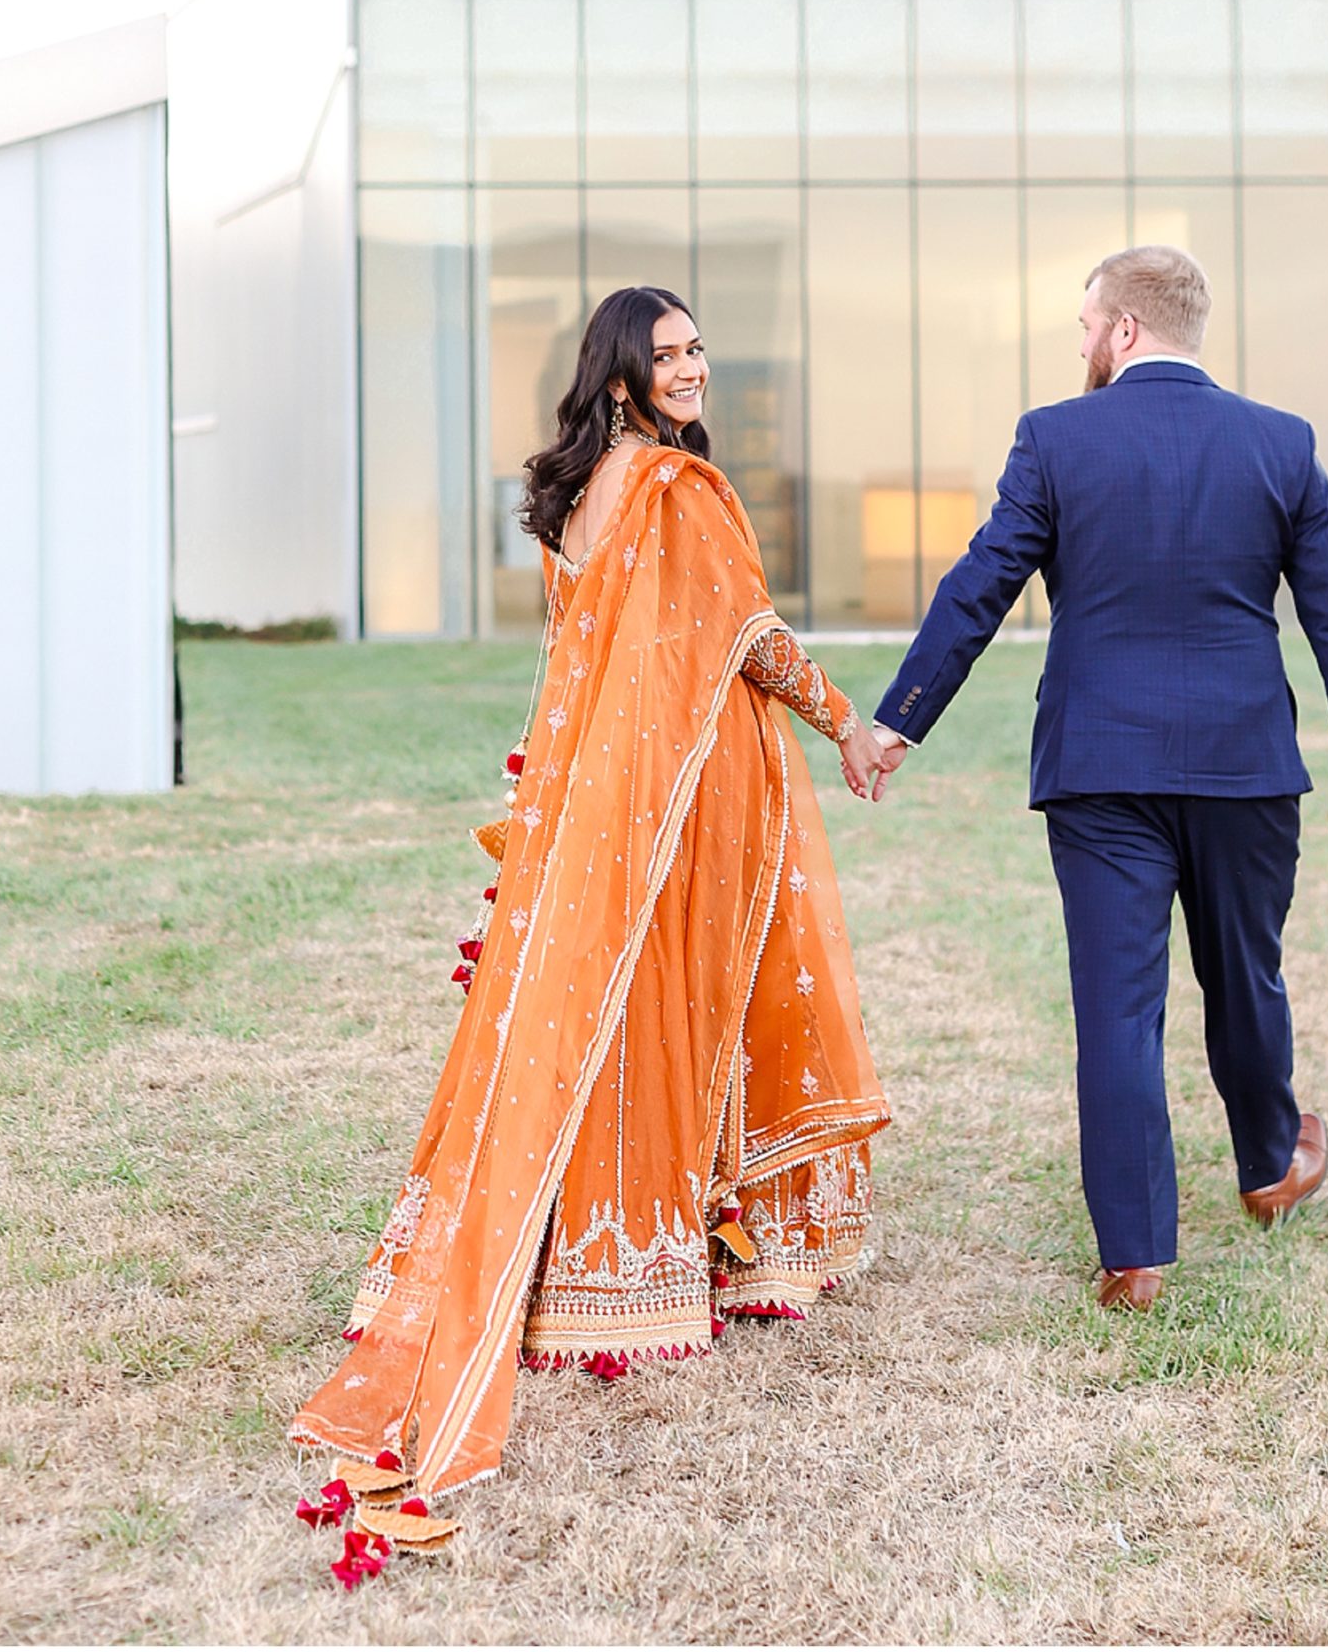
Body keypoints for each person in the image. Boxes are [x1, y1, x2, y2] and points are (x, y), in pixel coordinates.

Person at [291, 286, 889, 1565]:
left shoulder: (588, 493)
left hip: (612, 792)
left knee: (609, 1012)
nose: (691, 368)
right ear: (620, 374)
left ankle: (610, 1262)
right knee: (676, 998)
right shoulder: (671, 488)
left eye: (696, 349)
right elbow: (752, 641)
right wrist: (846, 720)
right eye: (665, 354)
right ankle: (646, 1259)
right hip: (685, 785)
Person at [866, 245, 1328, 1315]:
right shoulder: (1281, 443)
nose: (1079, 345)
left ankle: (1137, 1258)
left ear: (1121, 331)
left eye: (1083, 326)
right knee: (1245, 974)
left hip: (1100, 768)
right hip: (1246, 765)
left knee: (1115, 1008)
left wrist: (899, 719)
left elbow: (982, 585)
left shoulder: (1055, 437)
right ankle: (1267, 1166)